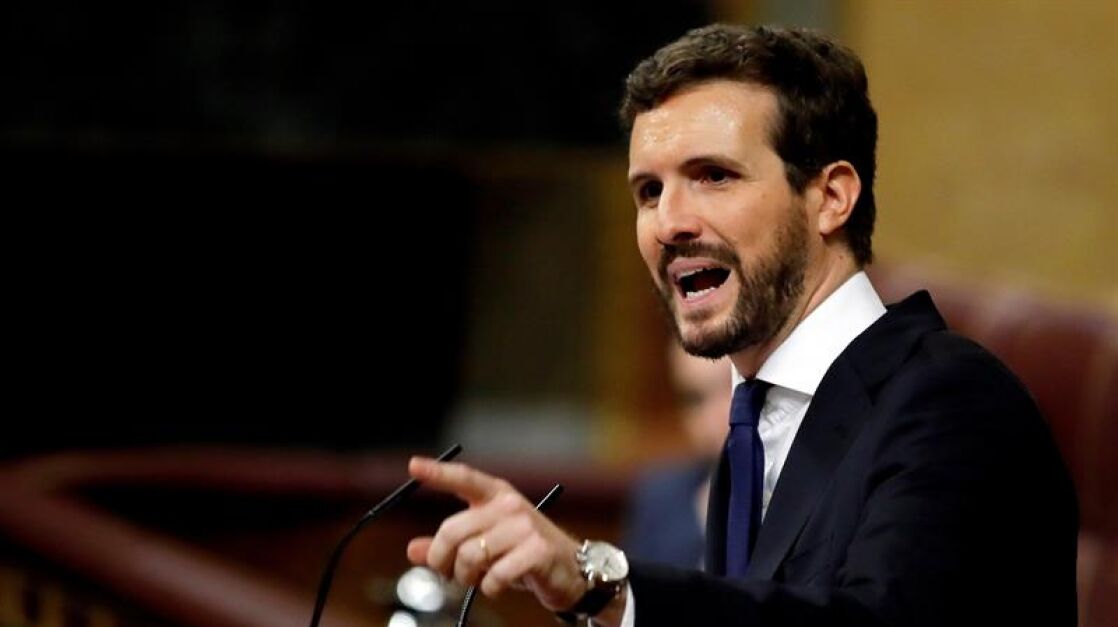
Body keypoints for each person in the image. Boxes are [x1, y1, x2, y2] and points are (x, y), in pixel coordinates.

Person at [405, 24, 1078, 627]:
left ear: (831, 197)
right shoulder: (752, 423)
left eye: (713, 176)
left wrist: (600, 585)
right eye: (649, 191)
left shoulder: (952, 402)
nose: (669, 223)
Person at [622, 344, 731, 569]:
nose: (711, 417)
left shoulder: (796, 498)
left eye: (731, 386)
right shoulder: (661, 500)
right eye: (694, 399)